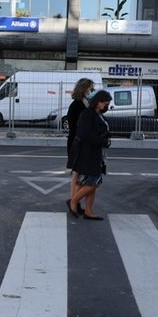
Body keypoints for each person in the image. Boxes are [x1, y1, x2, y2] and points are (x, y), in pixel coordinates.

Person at [68, 89, 112, 221]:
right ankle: (73, 202)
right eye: (105, 103)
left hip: (95, 153)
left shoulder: (97, 114)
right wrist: (103, 141)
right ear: (98, 102)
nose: (107, 106)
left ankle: (89, 211)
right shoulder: (87, 114)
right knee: (94, 182)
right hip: (87, 153)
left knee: (89, 182)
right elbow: (86, 134)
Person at [64, 77, 96, 214]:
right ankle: (73, 202)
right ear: (84, 89)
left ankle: (75, 202)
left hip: (82, 142)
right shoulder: (77, 105)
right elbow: (76, 126)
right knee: (77, 173)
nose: (92, 91)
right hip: (77, 142)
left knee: (79, 173)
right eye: (91, 89)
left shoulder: (86, 102)